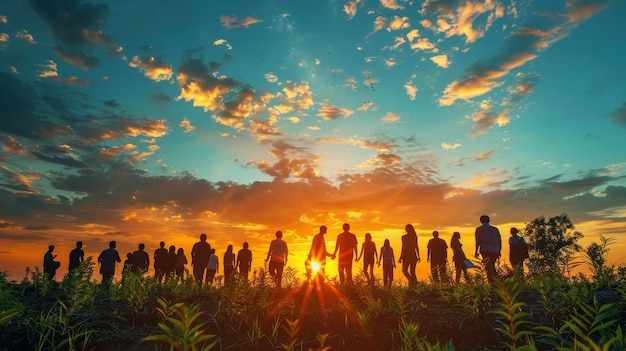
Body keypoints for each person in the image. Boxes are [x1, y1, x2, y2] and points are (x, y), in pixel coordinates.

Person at [474, 215, 502, 283]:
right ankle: (496, 281)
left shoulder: (479, 229)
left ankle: (492, 282)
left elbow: (478, 241)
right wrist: (499, 250)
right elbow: (499, 240)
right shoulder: (495, 229)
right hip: (495, 250)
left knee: (488, 267)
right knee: (492, 265)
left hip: (485, 250)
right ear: (489, 220)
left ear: (481, 221)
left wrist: (476, 251)